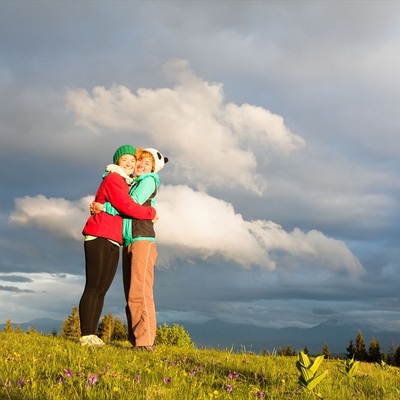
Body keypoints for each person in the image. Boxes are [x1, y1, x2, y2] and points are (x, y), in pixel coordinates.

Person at [78, 145, 157, 347]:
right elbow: (127, 206)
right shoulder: (115, 178)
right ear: (117, 162)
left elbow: (129, 204)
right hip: (102, 234)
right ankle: (88, 334)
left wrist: (103, 206)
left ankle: (93, 335)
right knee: (96, 287)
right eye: (127, 160)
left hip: (115, 238)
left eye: (134, 160)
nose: (133, 164)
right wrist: (151, 213)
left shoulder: (136, 181)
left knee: (101, 288)